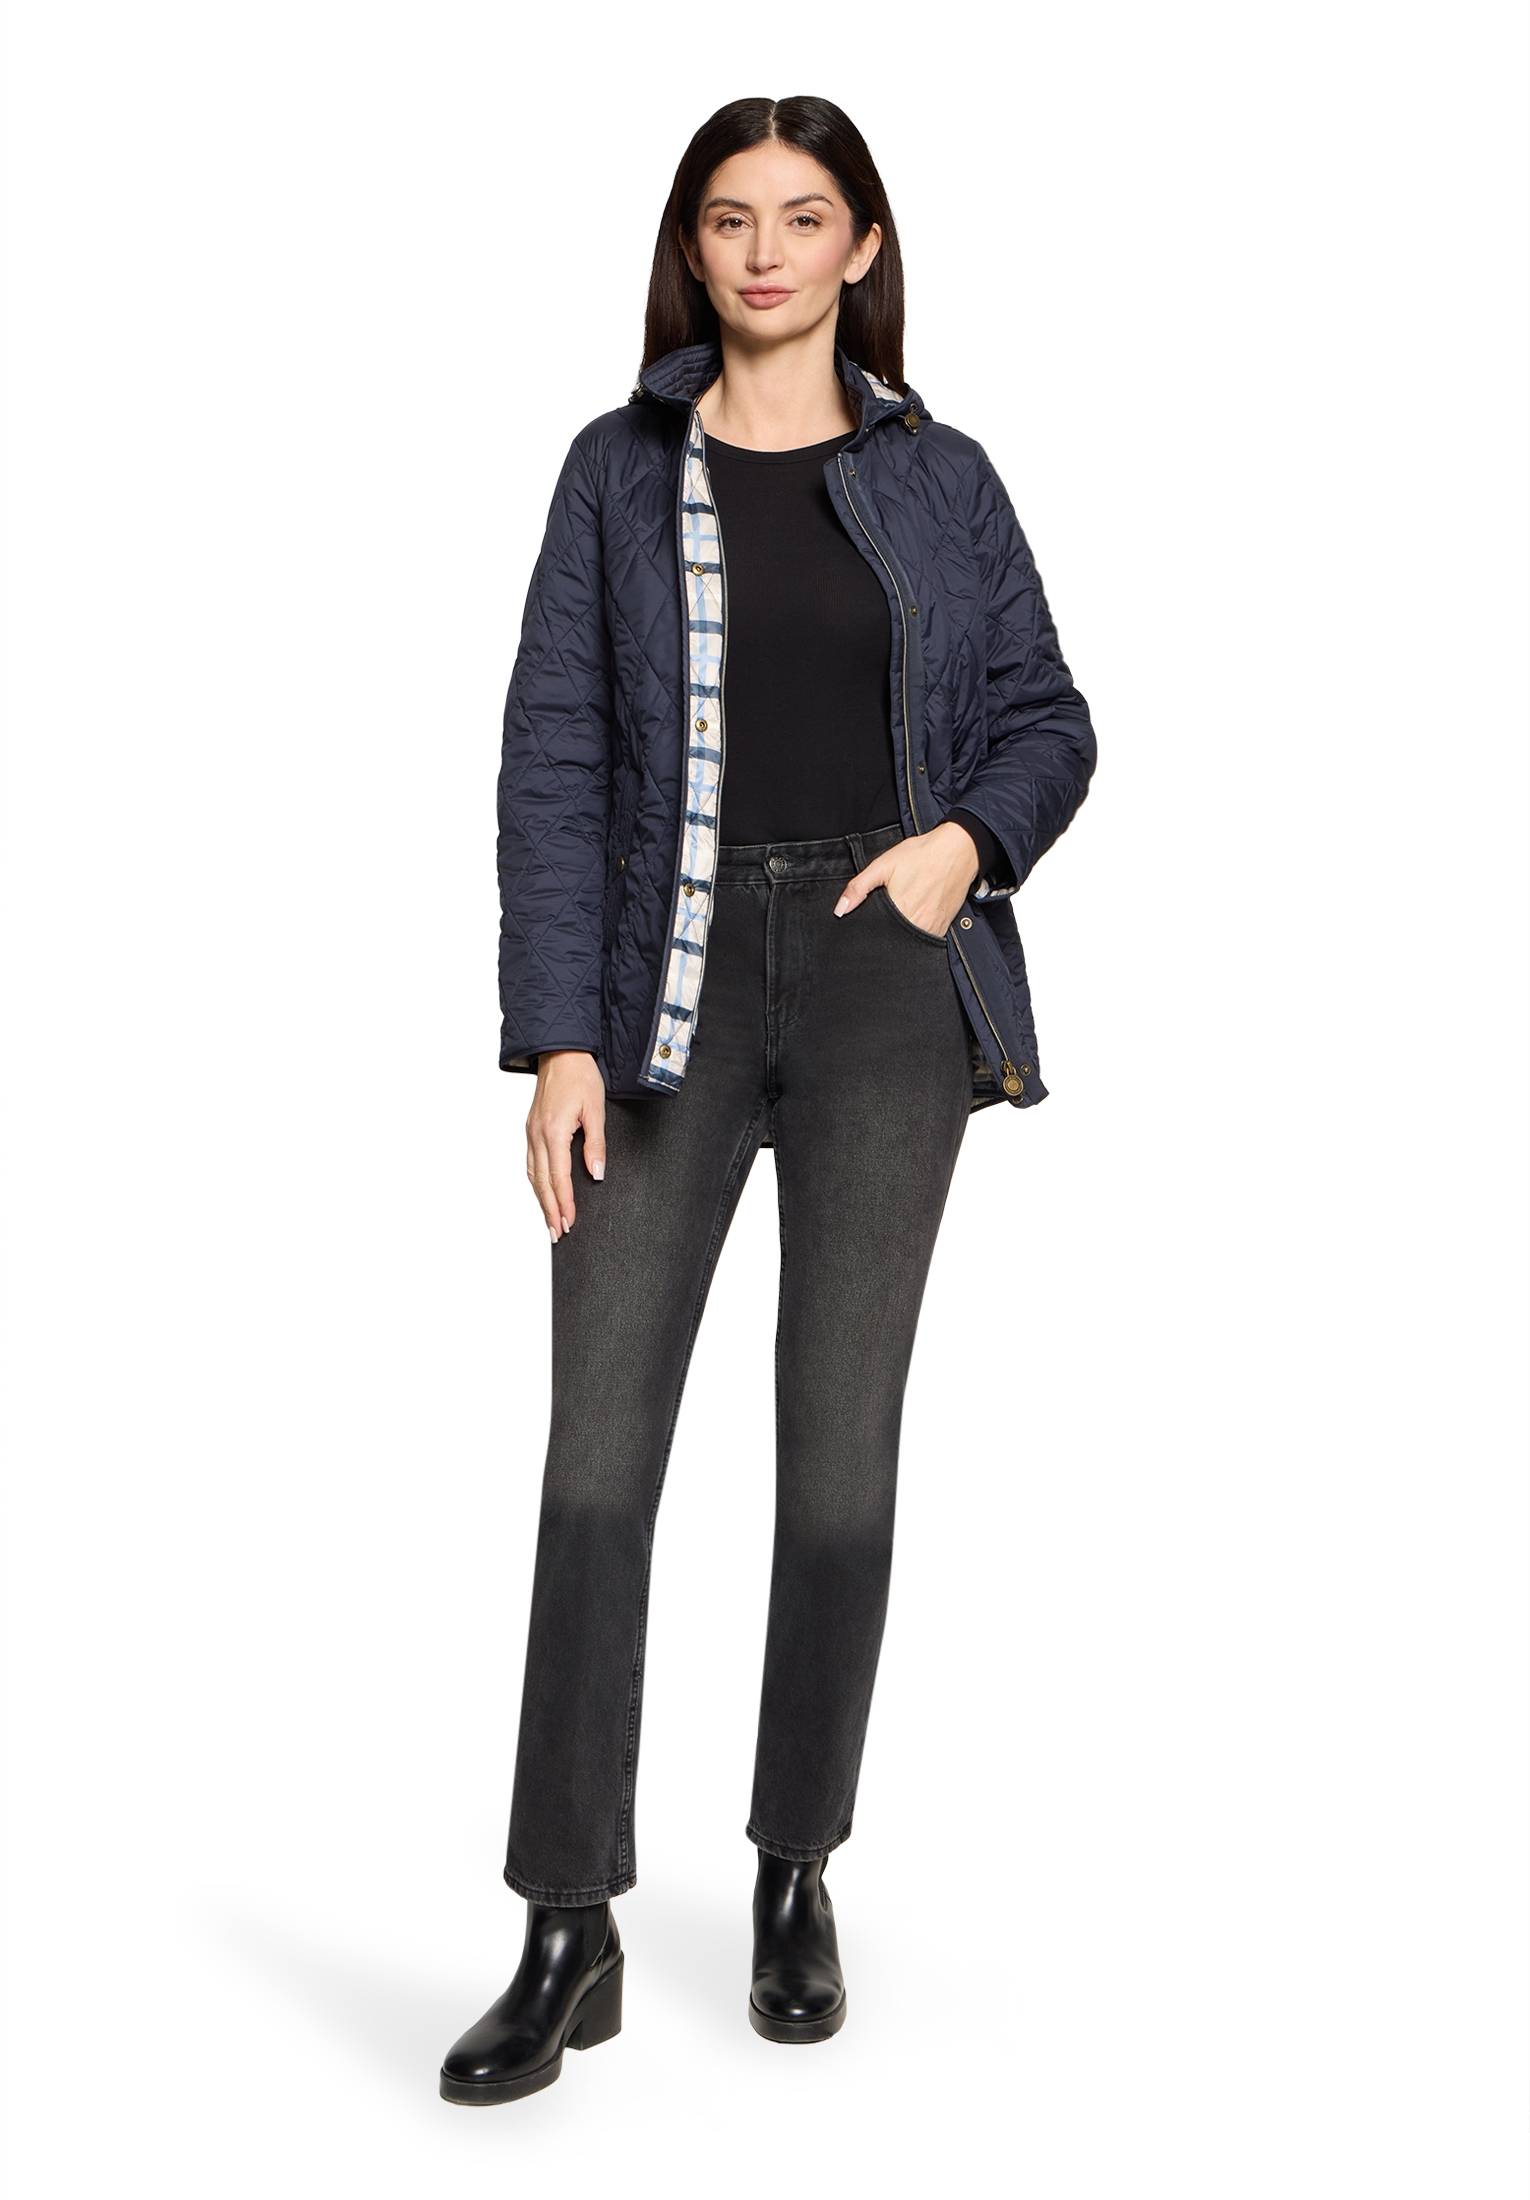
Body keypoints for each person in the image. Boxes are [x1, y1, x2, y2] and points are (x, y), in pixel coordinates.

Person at [440, 94, 1096, 2106]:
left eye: (804, 219)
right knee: (596, 1458)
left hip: (890, 976)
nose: (764, 253)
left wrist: (961, 846)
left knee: (836, 1460)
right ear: (692, 245)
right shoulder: (618, 471)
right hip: (667, 985)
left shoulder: (943, 477)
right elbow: (557, 751)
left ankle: (796, 1864)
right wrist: (558, 1035)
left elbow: (1047, 718)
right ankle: (568, 1918)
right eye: (730, 219)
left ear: (861, 247)